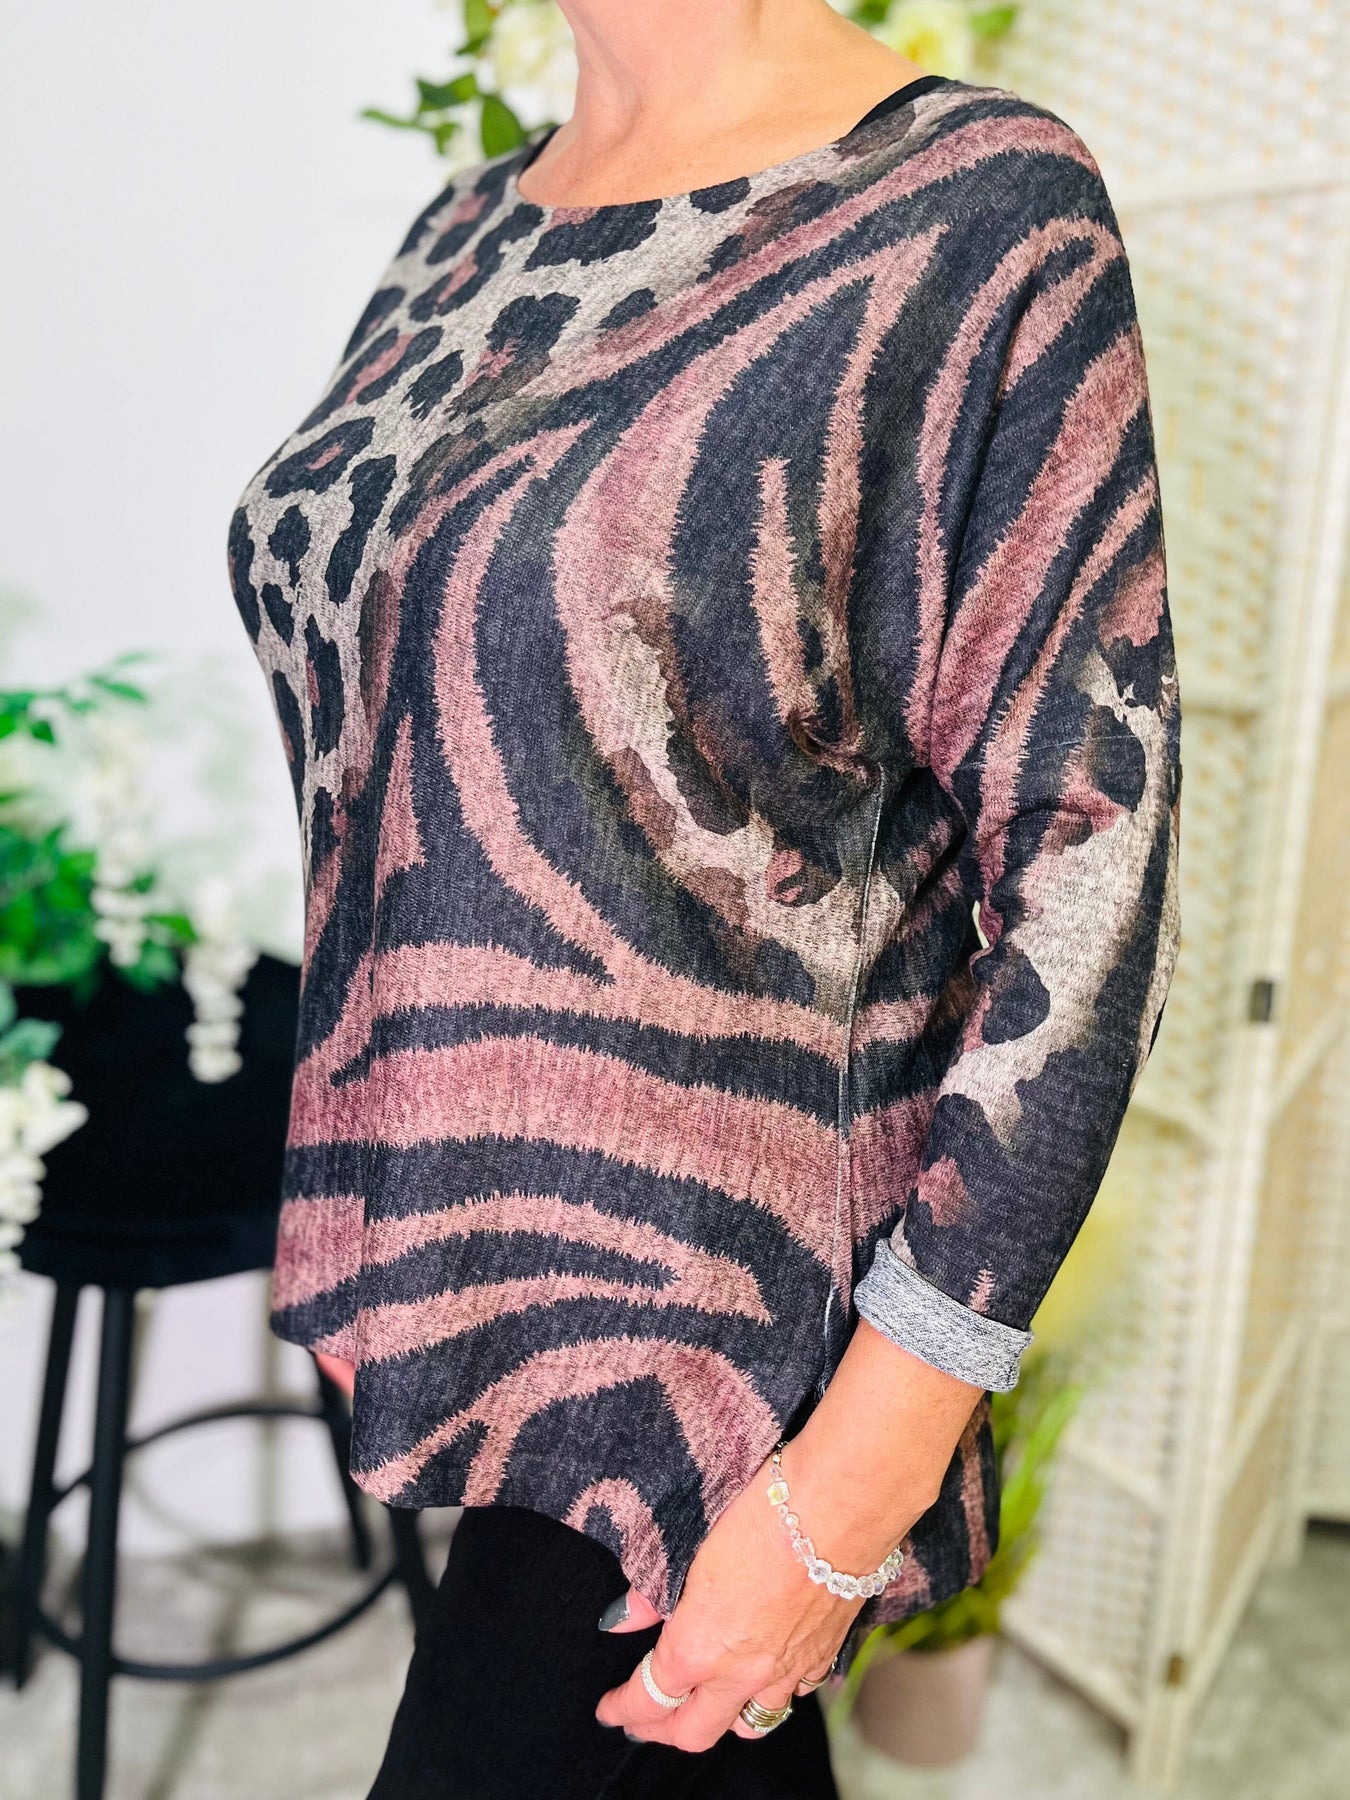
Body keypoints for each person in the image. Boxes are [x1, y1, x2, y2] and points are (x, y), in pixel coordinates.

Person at [229, 1, 1181, 1793]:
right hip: (474, 1269)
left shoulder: (971, 204)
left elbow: (1091, 863)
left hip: (715, 1343)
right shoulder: (466, 226)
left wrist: (860, 1479)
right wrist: (370, 1203)